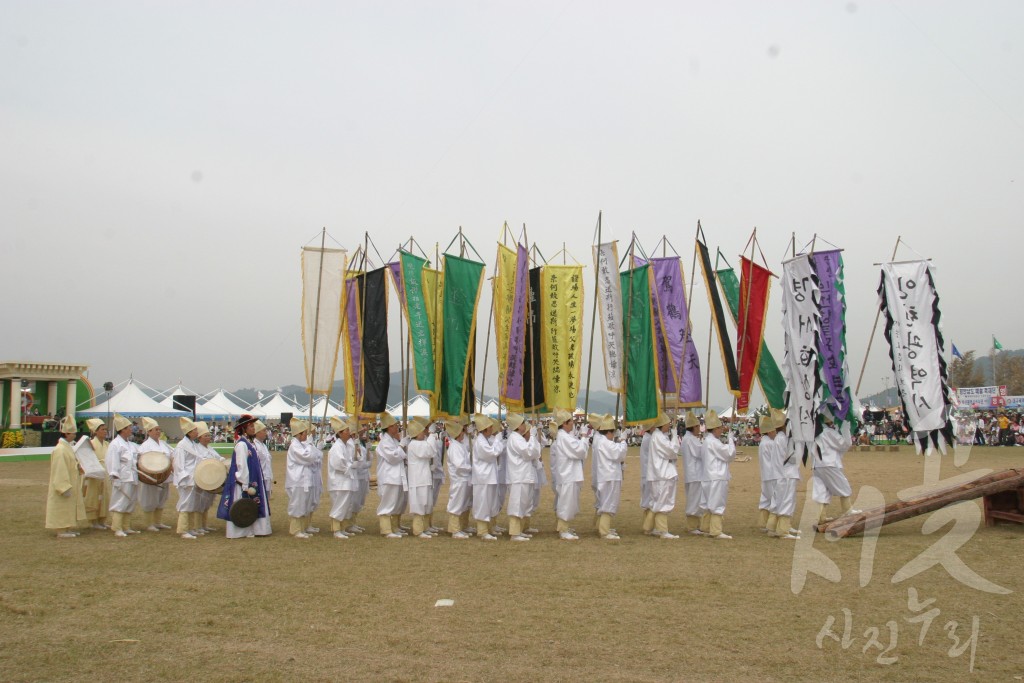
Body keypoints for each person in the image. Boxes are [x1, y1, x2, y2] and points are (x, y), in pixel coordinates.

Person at [218, 414, 271, 538]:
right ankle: (241, 530)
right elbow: (241, 465)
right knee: (243, 505)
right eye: (251, 427)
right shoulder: (242, 445)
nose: (254, 429)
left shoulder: (248, 443)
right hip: (244, 481)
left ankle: (254, 529)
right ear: (244, 429)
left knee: (252, 505)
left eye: (253, 426)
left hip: (252, 479)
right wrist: (244, 483)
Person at [812, 412, 860, 526]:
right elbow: (845, 444)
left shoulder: (814, 433)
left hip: (816, 465)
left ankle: (821, 516)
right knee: (843, 486)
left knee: (822, 490)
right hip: (829, 464)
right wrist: (845, 426)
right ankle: (848, 511)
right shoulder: (828, 432)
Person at [45, 416, 86, 538]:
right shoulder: (60, 450)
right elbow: (60, 469)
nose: (75, 435)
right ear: (67, 434)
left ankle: (67, 528)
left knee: (68, 507)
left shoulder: (67, 447)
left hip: (71, 482)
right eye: (73, 433)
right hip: (64, 484)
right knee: (62, 506)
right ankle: (61, 530)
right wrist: (63, 486)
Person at [550, 408, 588, 540]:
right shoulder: (564, 437)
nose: (573, 423)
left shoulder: (565, 436)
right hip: (568, 475)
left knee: (569, 502)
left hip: (569, 474)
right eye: (570, 421)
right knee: (566, 502)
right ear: (564, 423)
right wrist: (583, 437)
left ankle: (564, 527)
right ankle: (563, 529)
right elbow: (580, 451)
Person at [505, 413, 541, 542]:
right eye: (522, 423)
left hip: (523, 475)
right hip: (518, 476)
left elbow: (535, 452)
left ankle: (519, 530)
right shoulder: (515, 438)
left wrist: (533, 437)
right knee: (517, 504)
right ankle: (514, 533)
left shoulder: (518, 438)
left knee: (523, 503)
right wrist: (532, 436)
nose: (524, 425)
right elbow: (529, 452)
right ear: (517, 426)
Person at [701, 410, 736, 540]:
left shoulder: (707, 441)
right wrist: (731, 441)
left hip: (708, 476)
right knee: (716, 503)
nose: (721, 430)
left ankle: (706, 527)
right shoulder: (714, 442)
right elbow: (729, 454)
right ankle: (715, 530)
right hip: (716, 476)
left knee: (708, 503)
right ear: (714, 429)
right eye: (720, 428)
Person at [592, 414, 627, 540]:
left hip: (607, 475)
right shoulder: (605, 443)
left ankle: (603, 527)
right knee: (608, 503)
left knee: (606, 502)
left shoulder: (602, 441)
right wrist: (623, 441)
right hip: (609, 476)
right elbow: (619, 454)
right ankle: (604, 531)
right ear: (609, 432)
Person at [471, 414, 505, 540]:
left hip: (488, 477)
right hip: (483, 478)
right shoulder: (480, 442)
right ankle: (482, 530)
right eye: (490, 427)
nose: (492, 429)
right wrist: (497, 440)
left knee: (490, 503)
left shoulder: (484, 440)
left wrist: (497, 440)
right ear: (484, 429)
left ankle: (488, 528)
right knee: (483, 504)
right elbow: (492, 453)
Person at [285, 418, 321, 538]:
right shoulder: (295, 446)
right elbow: (308, 457)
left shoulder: (300, 445)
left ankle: (302, 527)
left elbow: (316, 457)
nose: (307, 435)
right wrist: (311, 445)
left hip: (304, 479)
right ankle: (296, 530)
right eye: (305, 433)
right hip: (298, 480)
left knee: (304, 504)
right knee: (298, 505)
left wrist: (315, 448)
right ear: (299, 434)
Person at [105, 414, 140, 537]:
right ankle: (117, 527)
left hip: (132, 477)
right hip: (122, 477)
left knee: (130, 501)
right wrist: (115, 477)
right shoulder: (115, 444)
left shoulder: (130, 444)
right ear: (123, 429)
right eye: (129, 427)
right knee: (120, 501)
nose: (131, 429)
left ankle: (126, 526)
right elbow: (112, 462)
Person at [647, 412, 680, 539]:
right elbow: (672, 451)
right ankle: (662, 530)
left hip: (660, 473)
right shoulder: (659, 437)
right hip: (662, 474)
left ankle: (653, 527)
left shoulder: (659, 436)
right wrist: (675, 436)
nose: (669, 426)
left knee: (658, 501)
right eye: (668, 424)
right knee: (662, 501)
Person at [327, 416, 360, 539]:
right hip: (339, 481)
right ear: (340, 433)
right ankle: (336, 530)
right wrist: (351, 466)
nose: (349, 432)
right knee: (339, 505)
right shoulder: (337, 447)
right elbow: (338, 464)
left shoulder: (345, 446)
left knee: (345, 505)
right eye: (346, 430)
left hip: (345, 481)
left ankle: (342, 527)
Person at [375, 413, 408, 538]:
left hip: (397, 475)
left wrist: (401, 444)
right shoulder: (384, 442)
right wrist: (401, 446)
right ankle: (386, 529)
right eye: (395, 426)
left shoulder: (393, 440)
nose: (397, 428)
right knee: (387, 503)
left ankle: (394, 527)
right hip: (389, 476)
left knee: (396, 502)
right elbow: (393, 457)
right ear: (389, 427)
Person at [137, 417, 172, 531]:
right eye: (155, 429)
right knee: (150, 499)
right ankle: (149, 523)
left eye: (159, 429)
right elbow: (142, 461)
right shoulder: (145, 446)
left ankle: (158, 522)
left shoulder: (163, 444)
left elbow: (172, 454)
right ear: (149, 432)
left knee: (162, 498)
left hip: (164, 476)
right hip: (151, 477)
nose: (158, 431)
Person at [172, 417, 202, 539]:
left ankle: (189, 527)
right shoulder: (181, 446)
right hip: (186, 479)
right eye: (195, 430)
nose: (197, 432)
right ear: (189, 432)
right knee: (185, 503)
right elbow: (179, 465)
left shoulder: (192, 444)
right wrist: (185, 478)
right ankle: (183, 529)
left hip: (193, 478)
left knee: (192, 503)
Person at [193, 421, 226, 533]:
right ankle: (197, 526)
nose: (208, 437)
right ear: (200, 437)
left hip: (213, 478)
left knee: (207, 502)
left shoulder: (210, 448)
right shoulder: (196, 449)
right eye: (206, 436)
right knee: (200, 502)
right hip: (203, 478)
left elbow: (219, 458)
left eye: (209, 435)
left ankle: (204, 524)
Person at [406, 420, 436, 539]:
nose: (424, 433)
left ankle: (423, 527)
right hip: (418, 479)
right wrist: (432, 435)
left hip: (423, 477)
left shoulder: (420, 443)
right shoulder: (415, 444)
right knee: (419, 503)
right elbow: (430, 451)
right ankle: (418, 530)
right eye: (422, 432)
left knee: (425, 502)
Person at [679, 411, 707, 535]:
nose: (699, 429)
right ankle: (692, 526)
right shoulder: (691, 440)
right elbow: (700, 453)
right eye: (697, 426)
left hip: (692, 473)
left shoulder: (687, 439)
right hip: (695, 474)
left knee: (694, 498)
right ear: (694, 427)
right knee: (695, 500)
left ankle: (695, 524)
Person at [444, 419, 473, 538]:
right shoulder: (454, 447)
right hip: (459, 479)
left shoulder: (459, 445)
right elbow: (460, 465)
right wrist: (471, 467)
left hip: (465, 479)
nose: (463, 433)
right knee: (456, 504)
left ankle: (461, 526)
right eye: (462, 431)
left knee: (463, 503)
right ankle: (454, 529)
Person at [82, 418, 111, 529]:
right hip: (95, 473)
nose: (105, 431)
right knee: (93, 496)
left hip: (105, 472)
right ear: (96, 431)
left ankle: (102, 519)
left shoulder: (107, 444)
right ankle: (93, 520)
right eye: (102, 429)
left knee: (105, 496)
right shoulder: (91, 444)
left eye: (105, 429)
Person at [757, 415, 780, 531]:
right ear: (770, 431)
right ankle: (773, 524)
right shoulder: (771, 444)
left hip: (765, 475)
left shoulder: (762, 443)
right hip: (772, 474)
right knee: (776, 499)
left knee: (765, 498)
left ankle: (763, 522)